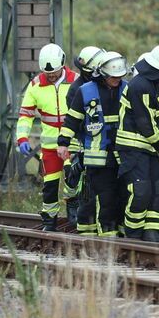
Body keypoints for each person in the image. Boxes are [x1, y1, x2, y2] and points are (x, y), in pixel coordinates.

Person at [58, 50, 128, 236]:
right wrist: (63, 143)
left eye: (120, 76)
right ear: (103, 74)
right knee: (105, 197)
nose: (117, 80)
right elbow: (72, 119)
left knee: (122, 195)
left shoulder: (127, 88)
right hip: (97, 156)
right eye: (113, 77)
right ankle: (106, 237)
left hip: (123, 155)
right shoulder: (85, 91)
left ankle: (114, 234)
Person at [115, 45, 159, 242]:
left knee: (157, 193)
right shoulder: (137, 85)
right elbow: (145, 121)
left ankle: (152, 234)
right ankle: (133, 235)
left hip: (153, 150)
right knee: (140, 191)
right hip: (133, 148)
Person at [16, 43, 78, 231]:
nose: (51, 76)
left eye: (55, 73)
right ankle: (49, 221)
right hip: (50, 148)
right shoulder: (35, 86)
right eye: (47, 73)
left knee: (73, 179)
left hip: (72, 145)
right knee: (50, 186)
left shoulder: (76, 81)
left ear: (63, 65)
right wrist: (22, 138)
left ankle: (75, 211)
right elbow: (25, 115)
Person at [59, 46, 107, 229]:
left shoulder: (107, 85)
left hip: (104, 142)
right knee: (77, 175)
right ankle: (72, 201)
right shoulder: (77, 90)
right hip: (82, 140)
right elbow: (77, 122)